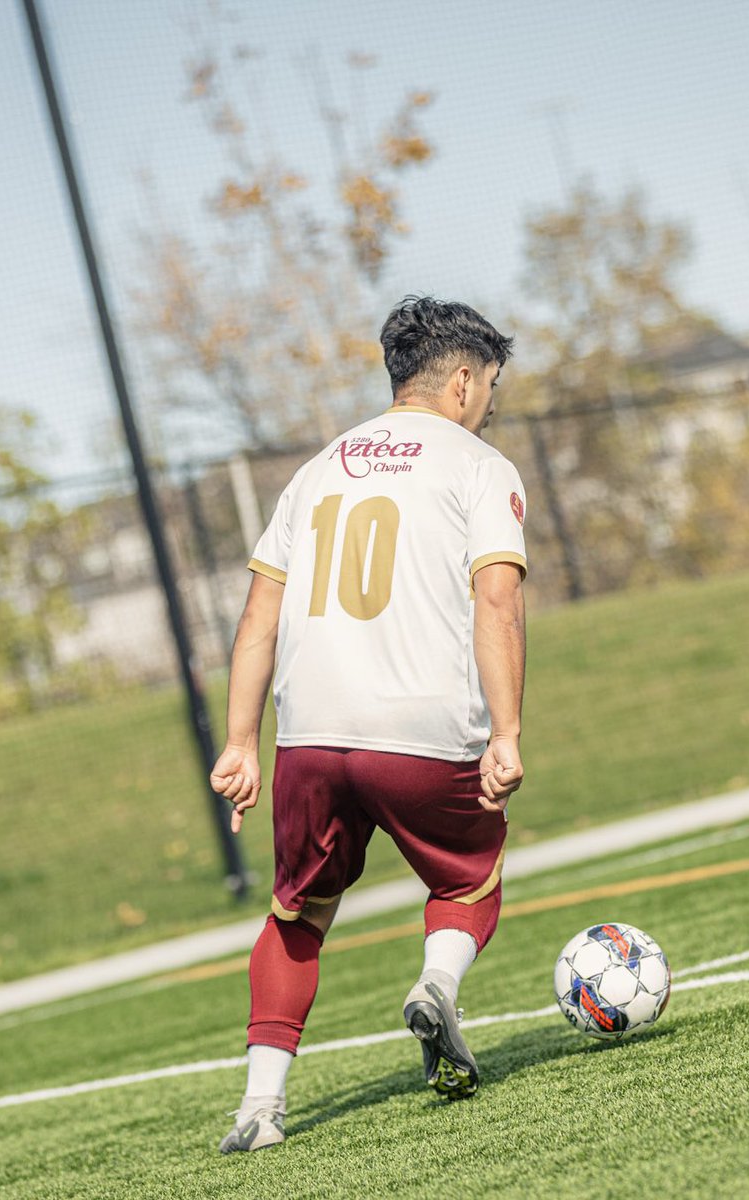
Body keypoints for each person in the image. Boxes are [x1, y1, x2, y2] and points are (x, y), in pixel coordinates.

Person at [212, 296, 527, 1153]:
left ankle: (259, 1109)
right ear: (462, 379)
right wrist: (505, 732)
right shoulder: (477, 465)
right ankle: (435, 985)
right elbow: (494, 602)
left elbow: (256, 624)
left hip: (309, 735)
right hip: (421, 730)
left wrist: (241, 744)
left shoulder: (314, 471)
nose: (488, 401)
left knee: (297, 915)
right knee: (468, 880)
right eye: (489, 384)